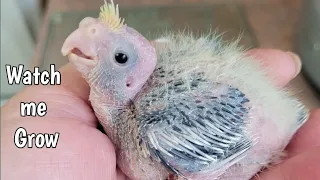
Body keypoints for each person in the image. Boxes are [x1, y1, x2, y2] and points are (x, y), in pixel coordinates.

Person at [1, 48, 320, 180]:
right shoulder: (127, 115)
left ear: (129, 77)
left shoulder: (159, 131)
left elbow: (244, 132)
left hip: (258, 133)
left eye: (120, 57)